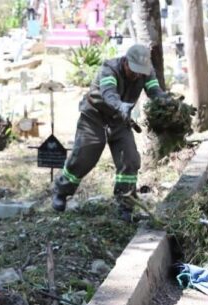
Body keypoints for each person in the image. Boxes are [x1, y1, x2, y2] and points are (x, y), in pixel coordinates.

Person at [52, 43, 166, 221]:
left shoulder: (147, 71)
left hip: (120, 122)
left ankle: (126, 204)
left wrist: (166, 101)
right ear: (126, 62)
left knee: (130, 160)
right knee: (83, 158)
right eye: (134, 71)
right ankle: (61, 191)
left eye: (140, 72)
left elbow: (155, 91)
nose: (137, 75)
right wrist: (121, 106)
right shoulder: (109, 69)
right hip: (94, 118)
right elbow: (109, 94)